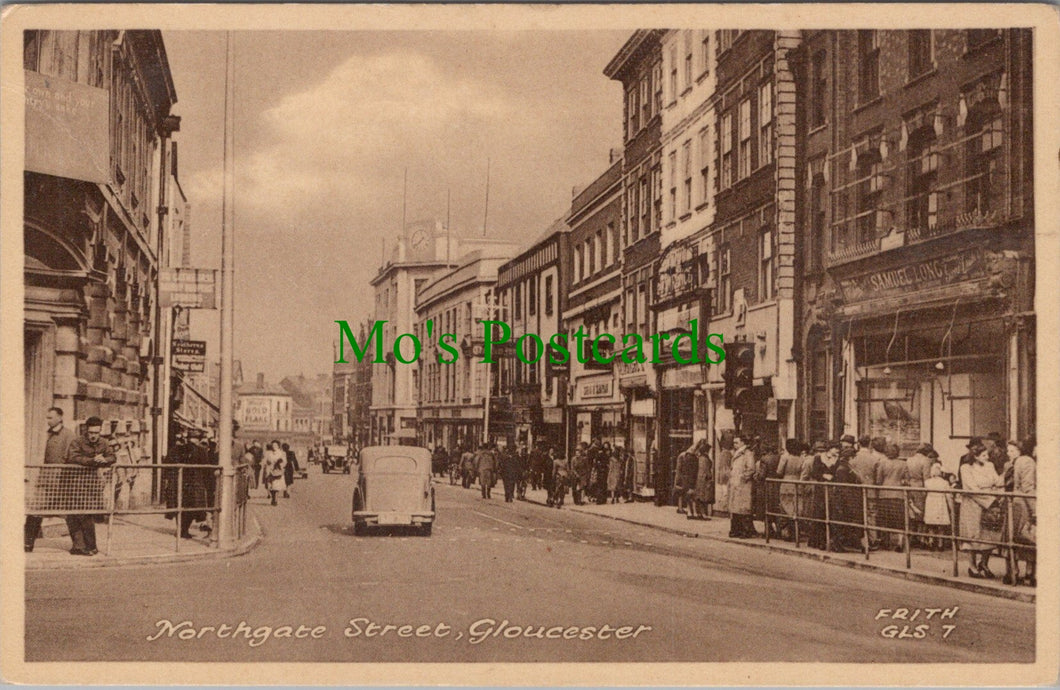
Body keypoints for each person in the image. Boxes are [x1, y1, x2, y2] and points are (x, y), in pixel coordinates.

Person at [25, 407, 78, 553]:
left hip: (61, 482)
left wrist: (67, 480)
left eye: (50, 418)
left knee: (70, 514)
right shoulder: (46, 434)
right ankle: (27, 544)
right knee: (35, 512)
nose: (48, 420)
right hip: (45, 481)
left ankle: (79, 546)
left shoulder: (69, 435)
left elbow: (72, 458)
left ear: (60, 418)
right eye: (47, 417)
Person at [65, 417, 117, 555]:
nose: (93, 436)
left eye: (96, 432)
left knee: (86, 514)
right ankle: (84, 546)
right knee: (77, 515)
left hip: (93, 484)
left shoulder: (104, 443)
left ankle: (85, 546)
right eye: (91, 433)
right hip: (75, 483)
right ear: (86, 431)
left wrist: (105, 460)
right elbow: (73, 457)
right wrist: (91, 461)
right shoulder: (77, 441)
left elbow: (113, 457)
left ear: (100, 431)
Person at [959, 442, 1003, 579]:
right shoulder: (966, 468)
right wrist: (989, 498)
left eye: (987, 454)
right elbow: (971, 488)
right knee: (973, 536)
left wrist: (997, 497)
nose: (987, 457)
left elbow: (998, 482)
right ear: (975, 456)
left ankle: (984, 563)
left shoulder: (989, 466)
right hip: (973, 505)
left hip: (990, 504)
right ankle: (972, 566)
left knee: (989, 535)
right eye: (983, 455)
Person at [1005, 438, 1036, 586]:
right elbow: (1028, 488)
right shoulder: (1028, 461)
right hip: (1025, 504)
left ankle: (1013, 571)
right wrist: (1035, 511)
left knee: (1014, 537)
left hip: (1016, 503)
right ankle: (1029, 574)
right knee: (1029, 537)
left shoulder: (1018, 462)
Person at [875, 442, 910, 551]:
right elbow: (907, 480)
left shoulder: (882, 463)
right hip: (898, 493)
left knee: (885, 519)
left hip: (884, 493)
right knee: (899, 520)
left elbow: (878, 480)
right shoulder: (903, 464)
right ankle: (900, 542)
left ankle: (886, 542)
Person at [728, 433, 757, 539]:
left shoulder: (747, 453)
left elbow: (751, 469)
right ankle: (735, 530)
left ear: (743, 443)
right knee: (736, 509)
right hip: (736, 484)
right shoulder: (737, 453)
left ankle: (745, 531)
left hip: (743, 485)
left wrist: (742, 478)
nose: (734, 444)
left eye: (737, 442)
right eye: (734, 442)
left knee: (743, 509)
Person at [774, 439, 803, 540]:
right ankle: (796, 532)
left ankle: (787, 532)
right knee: (796, 508)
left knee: (785, 508)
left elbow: (779, 471)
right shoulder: (801, 458)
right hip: (797, 483)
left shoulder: (785, 457)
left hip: (786, 483)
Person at [922, 464, 954, 551]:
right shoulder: (944, 483)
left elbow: (924, 494)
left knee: (931, 525)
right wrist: (951, 508)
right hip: (940, 502)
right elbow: (948, 496)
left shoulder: (927, 482)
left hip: (930, 502)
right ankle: (940, 544)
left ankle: (931, 541)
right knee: (941, 525)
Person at [691, 439, 714, 520]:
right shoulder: (704, 459)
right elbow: (705, 470)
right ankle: (702, 514)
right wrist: (709, 476)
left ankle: (698, 513)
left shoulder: (700, 458)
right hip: (703, 480)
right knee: (702, 498)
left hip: (699, 479)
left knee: (699, 497)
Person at [673, 442, 696, 515]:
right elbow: (679, 468)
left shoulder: (682, 455)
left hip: (682, 476)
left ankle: (680, 508)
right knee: (682, 492)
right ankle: (680, 508)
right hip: (682, 477)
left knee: (681, 492)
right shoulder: (683, 456)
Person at [263, 440, 287, 506]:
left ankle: (275, 499)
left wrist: (280, 464)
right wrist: (268, 464)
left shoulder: (282, 453)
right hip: (270, 471)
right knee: (270, 487)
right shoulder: (269, 453)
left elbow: (285, 462)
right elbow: (265, 461)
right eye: (273, 445)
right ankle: (273, 497)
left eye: (275, 445)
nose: (274, 447)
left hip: (277, 471)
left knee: (276, 486)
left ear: (278, 446)